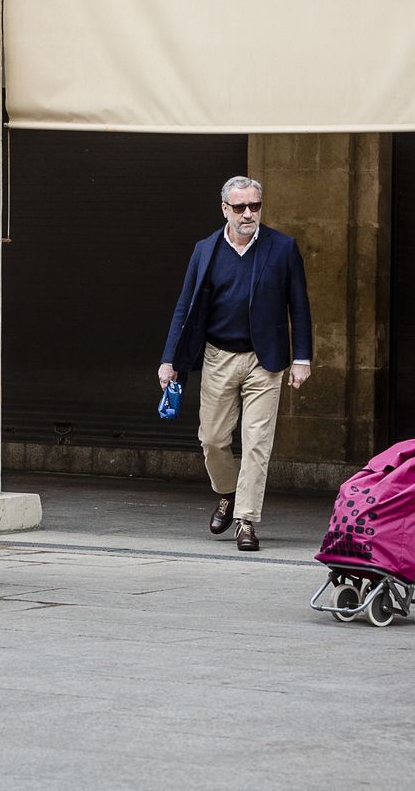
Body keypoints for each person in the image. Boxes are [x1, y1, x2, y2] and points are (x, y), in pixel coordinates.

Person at [158, 176, 312, 551]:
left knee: (257, 442)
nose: (248, 214)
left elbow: (300, 305)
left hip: (266, 360)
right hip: (218, 356)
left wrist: (302, 358)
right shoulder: (205, 250)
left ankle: (245, 519)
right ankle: (226, 492)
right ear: (225, 209)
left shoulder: (283, 248)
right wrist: (169, 360)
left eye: (254, 206)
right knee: (211, 439)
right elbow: (185, 307)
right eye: (240, 207)